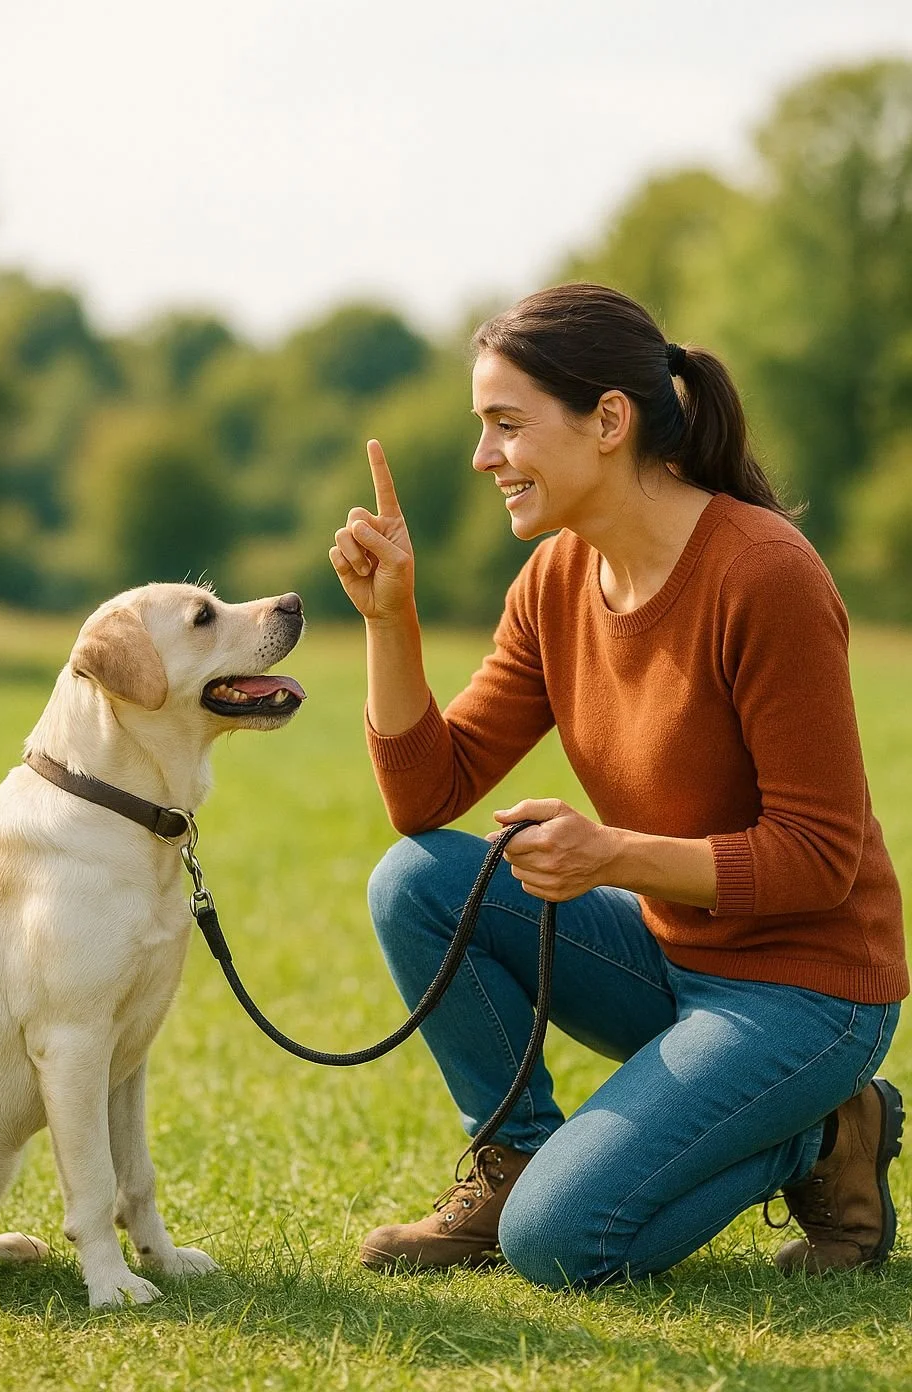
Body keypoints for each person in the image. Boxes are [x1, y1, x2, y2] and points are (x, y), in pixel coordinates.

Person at [328, 282, 907, 1289]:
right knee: (416, 880)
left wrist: (611, 854)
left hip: (808, 996)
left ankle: (824, 1134)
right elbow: (429, 797)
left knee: (561, 1243)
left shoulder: (763, 575)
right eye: (482, 428)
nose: (483, 458)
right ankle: (510, 1161)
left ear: (607, 421)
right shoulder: (555, 581)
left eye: (507, 426)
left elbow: (819, 862)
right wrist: (390, 620)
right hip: (673, 962)